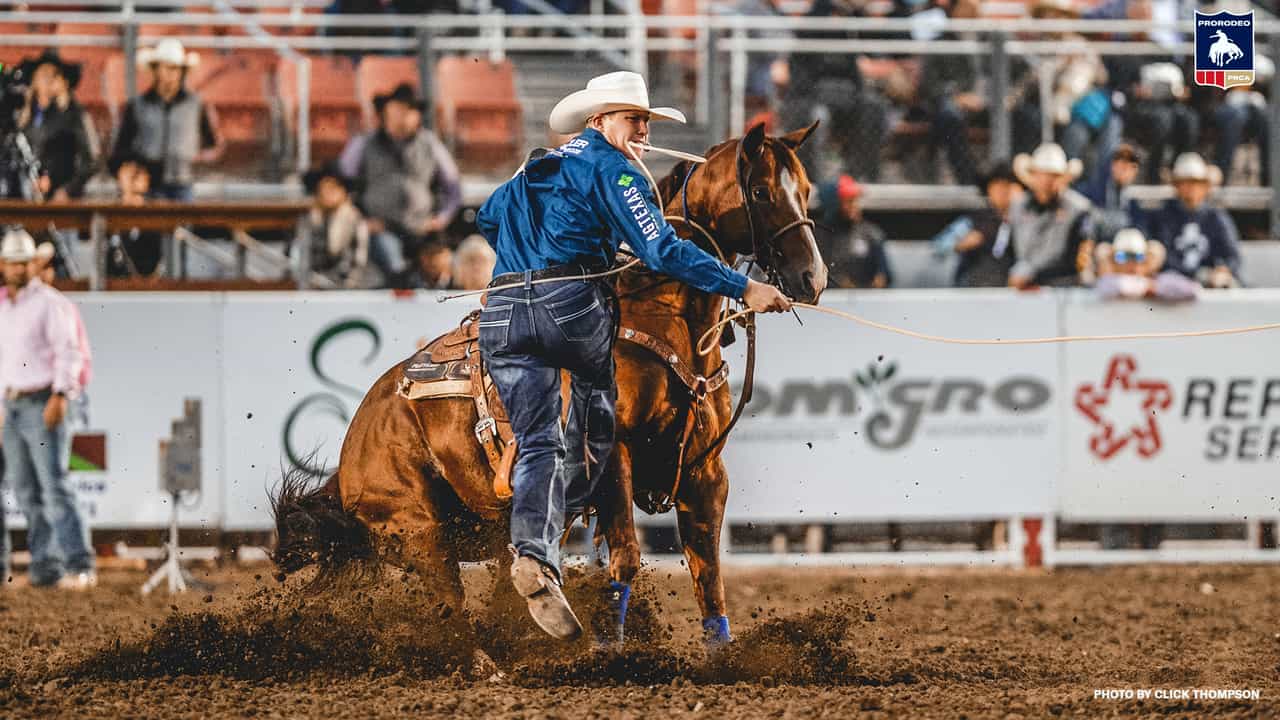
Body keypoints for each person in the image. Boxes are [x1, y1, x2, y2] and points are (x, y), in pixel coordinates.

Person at [476, 71, 791, 640]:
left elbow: (487, 218)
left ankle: (534, 553)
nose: (642, 131)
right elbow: (662, 248)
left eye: (645, 122)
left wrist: (537, 256)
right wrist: (743, 288)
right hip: (569, 309)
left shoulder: (536, 166)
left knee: (542, 440)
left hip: (501, 311)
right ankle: (581, 529)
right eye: (632, 120)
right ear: (598, 122)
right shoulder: (617, 169)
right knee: (597, 431)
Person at [0, 228, 94, 590]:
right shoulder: (5, 307)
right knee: (26, 491)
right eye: (13, 262)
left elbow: (68, 351)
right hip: (14, 403)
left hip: (42, 400)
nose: (18, 268)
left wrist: (60, 395)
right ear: (5, 265)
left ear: (33, 265)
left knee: (54, 486)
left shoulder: (51, 303)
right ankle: (45, 566)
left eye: (24, 262)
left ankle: (79, 563)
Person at [339, 83, 461, 284]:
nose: (404, 115)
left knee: (437, 272)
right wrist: (361, 220)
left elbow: (453, 186)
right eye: (399, 109)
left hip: (422, 229)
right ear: (386, 112)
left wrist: (441, 218)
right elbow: (341, 183)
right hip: (381, 227)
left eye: (410, 110)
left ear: (417, 116)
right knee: (394, 268)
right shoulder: (363, 143)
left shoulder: (430, 144)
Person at [109, 38, 222, 202]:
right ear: (156, 69)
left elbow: (213, 143)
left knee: (183, 227)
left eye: (176, 68)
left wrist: (194, 160)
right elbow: (121, 146)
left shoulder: (197, 105)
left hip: (183, 182)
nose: (172, 73)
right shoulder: (137, 105)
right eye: (167, 67)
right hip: (147, 185)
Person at [1008, 143, 1096, 288]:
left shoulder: (1080, 210)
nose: (1046, 182)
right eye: (1042, 175)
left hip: (1060, 284)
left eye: (1053, 176)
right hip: (1018, 279)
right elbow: (1007, 248)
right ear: (1033, 175)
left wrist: (1033, 276)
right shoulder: (1017, 205)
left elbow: (1077, 259)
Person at [1148, 152, 1242, 289]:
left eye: (1197, 183)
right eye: (1185, 182)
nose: (1192, 188)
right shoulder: (1162, 217)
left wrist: (1223, 270)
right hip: (1174, 284)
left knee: (1232, 286)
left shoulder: (1216, 217)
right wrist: (1196, 275)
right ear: (1176, 185)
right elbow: (1163, 257)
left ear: (1205, 187)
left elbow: (1232, 255)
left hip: (1213, 282)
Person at [16, 49, 97, 202]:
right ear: (34, 79)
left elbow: (89, 159)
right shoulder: (22, 116)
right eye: (43, 75)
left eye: (53, 75)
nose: (48, 80)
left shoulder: (74, 115)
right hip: (26, 192)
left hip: (61, 194)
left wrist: (68, 189)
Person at [32, 243, 93, 429]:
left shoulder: (61, 305)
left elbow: (78, 358)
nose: (46, 273)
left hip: (58, 393)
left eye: (49, 267)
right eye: (42, 267)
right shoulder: (9, 305)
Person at [294, 162, 371, 289]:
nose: (327, 193)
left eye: (333, 188)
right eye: (323, 189)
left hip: (345, 289)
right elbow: (298, 257)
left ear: (343, 191)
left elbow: (357, 263)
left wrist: (339, 288)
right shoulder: (308, 221)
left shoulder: (354, 220)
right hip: (312, 287)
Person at [953, 160, 1022, 288]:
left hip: (1010, 279)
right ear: (989, 190)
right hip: (977, 278)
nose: (1002, 192)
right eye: (997, 186)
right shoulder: (976, 217)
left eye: (1006, 185)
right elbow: (952, 244)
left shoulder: (1023, 218)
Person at [818, 175, 891, 289]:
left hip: (869, 299)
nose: (855, 205)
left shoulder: (871, 233)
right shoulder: (821, 235)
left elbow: (886, 273)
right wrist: (839, 283)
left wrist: (881, 277)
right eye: (848, 201)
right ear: (834, 204)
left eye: (855, 200)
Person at [1094, 227, 1198, 302]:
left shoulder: (1160, 280)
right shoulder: (1106, 282)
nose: (1131, 264)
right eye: (1122, 257)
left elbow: (1192, 290)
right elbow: (1104, 287)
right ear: (1112, 260)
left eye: (1137, 257)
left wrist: (1152, 287)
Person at [105, 151, 164, 278]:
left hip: (145, 284)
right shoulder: (109, 212)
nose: (133, 176)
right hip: (113, 284)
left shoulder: (155, 214)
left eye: (138, 172)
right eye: (127, 170)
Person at [1077, 143, 1145, 245]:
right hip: (1098, 246)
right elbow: (1085, 222)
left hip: (1125, 248)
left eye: (1132, 167)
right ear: (1112, 165)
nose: (1126, 170)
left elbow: (1141, 230)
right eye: (1122, 164)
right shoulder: (1093, 190)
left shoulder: (1135, 200)